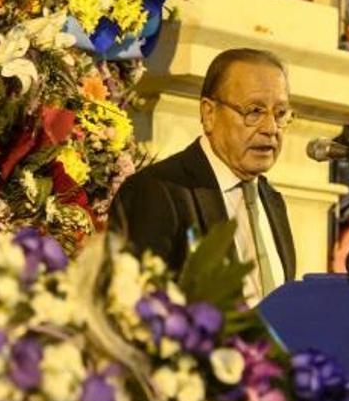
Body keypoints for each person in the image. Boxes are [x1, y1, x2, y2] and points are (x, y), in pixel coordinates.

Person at [111, 48, 297, 305]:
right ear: (209, 114)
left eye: (280, 114)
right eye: (254, 111)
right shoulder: (157, 191)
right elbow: (136, 307)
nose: (271, 129)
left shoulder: (273, 201)